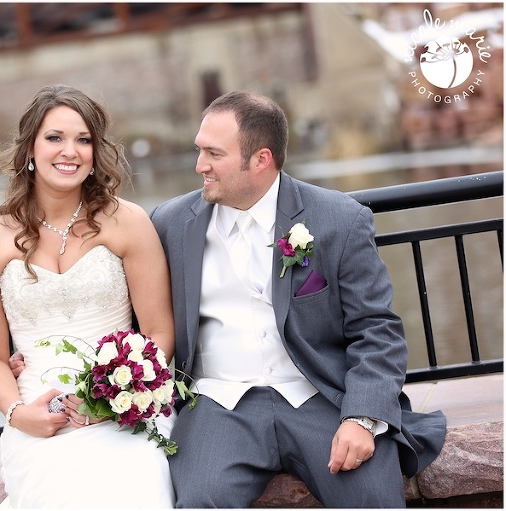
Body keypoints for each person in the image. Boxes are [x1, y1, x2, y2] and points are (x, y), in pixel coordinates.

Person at [149, 90, 447, 508]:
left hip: (321, 396)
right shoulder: (170, 223)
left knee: (373, 498)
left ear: (261, 160)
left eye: (213, 154)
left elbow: (377, 330)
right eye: (199, 151)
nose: (200, 166)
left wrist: (362, 418)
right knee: (199, 500)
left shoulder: (339, 220)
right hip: (218, 404)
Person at [0, 84, 176, 508]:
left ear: (96, 152)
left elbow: (157, 331)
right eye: (55, 138)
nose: (71, 151)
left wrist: (114, 401)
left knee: (136, 479)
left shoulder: (127, 222)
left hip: (125, 409)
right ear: (29, 150)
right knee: (55, 487)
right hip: (38, 415)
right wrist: (18, 414)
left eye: (84, 140)